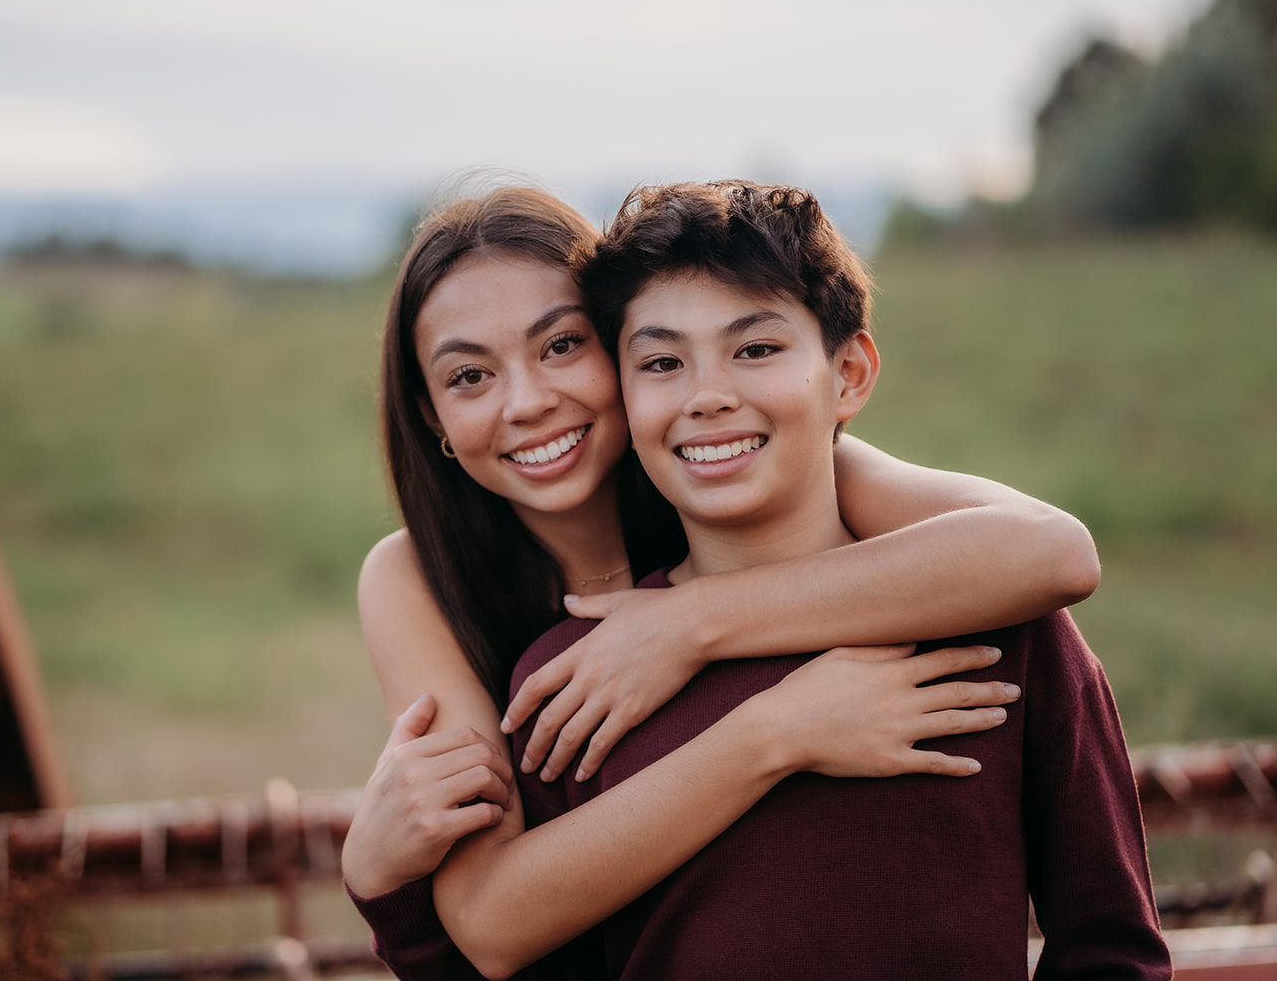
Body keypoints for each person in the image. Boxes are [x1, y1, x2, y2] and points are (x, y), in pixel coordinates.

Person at [341, 186, 1102, 977]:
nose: (528, 401)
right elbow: (492, 923)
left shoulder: (740, 464)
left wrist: (688, 621)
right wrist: (375, 874)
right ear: (431, 417)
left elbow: (1052, 553)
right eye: (468, 375)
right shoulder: (417, 578)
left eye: (561, 345)